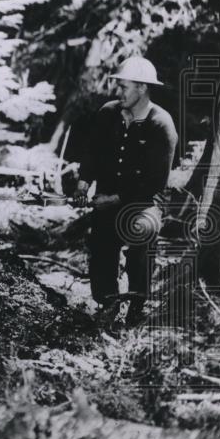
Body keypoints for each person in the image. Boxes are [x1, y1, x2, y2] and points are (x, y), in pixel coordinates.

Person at [75, 56, 178, 328]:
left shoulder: (161, 124)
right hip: (106, 200)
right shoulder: (108, 113)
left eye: (124, 87)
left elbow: (156, 181)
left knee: (141, 234)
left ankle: (137, 304)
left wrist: (114, 199)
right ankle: (108, 304)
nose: (118, 92)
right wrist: (84, 181)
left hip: (143, 204)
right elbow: (93, 151)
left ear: (142, 88)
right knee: (101, 246)